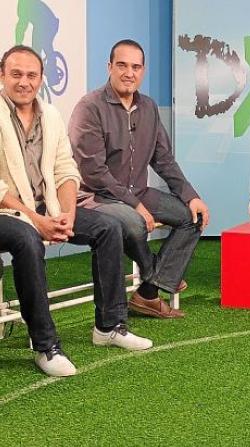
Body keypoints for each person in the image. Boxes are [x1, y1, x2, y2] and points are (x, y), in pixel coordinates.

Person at [0, 46, 152, 377]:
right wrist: (36, 220)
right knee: (27, 240)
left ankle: (109, 327)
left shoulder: (50, 115)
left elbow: (66, 170)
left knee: (108, 227)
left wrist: (67, 213)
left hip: (45, 207)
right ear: (2, 76)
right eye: (16, 74)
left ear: (41, 79)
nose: (24, 82)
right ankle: (45, 345)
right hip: (7, 212)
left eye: (31, 75)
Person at [68, 39, 210, 319]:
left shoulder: (149, 107)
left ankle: (148, 291)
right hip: (97, 196)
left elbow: (163, 159)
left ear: (143, 71)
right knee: (134, 224)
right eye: (122, 65)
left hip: (138, 191)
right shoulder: (89, 107)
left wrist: (191, 196)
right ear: (109, 67)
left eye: (135, 67)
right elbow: (94, 172)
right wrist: (135, 204)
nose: (128, 73)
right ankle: (154, 274)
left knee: (191, 217)